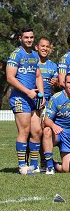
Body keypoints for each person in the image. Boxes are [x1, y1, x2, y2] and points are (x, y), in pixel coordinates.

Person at [6, 26, 45, 174]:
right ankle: (22, 166)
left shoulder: (35, 55)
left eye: (31, 37)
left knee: (36, 131)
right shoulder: (16, 54)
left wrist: (41, 94)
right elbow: (9, 77)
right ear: (20, 38)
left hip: (33, 98)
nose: (29, 40)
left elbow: (38, 76)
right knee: (24, 131)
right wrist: (27, 91)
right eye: (26, 37)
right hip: (20, 98)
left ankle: (34, 166)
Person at [42, 73, 70, 174]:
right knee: (47, 130)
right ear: (64, 83)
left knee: (67, 170)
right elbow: (47, 119)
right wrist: (54, 125)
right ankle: (49, 166)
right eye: (69, 82)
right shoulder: (56, 98)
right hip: (58, 133)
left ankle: (53, 164)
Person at [35, 37, 59, 104]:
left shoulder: (53, 65)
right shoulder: (32, 63)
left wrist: (56, 82)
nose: (45, 49)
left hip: (47, 101)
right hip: (33, 99)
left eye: (47, 46)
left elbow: (57, 86)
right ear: (37, 47)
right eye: (42, 46)